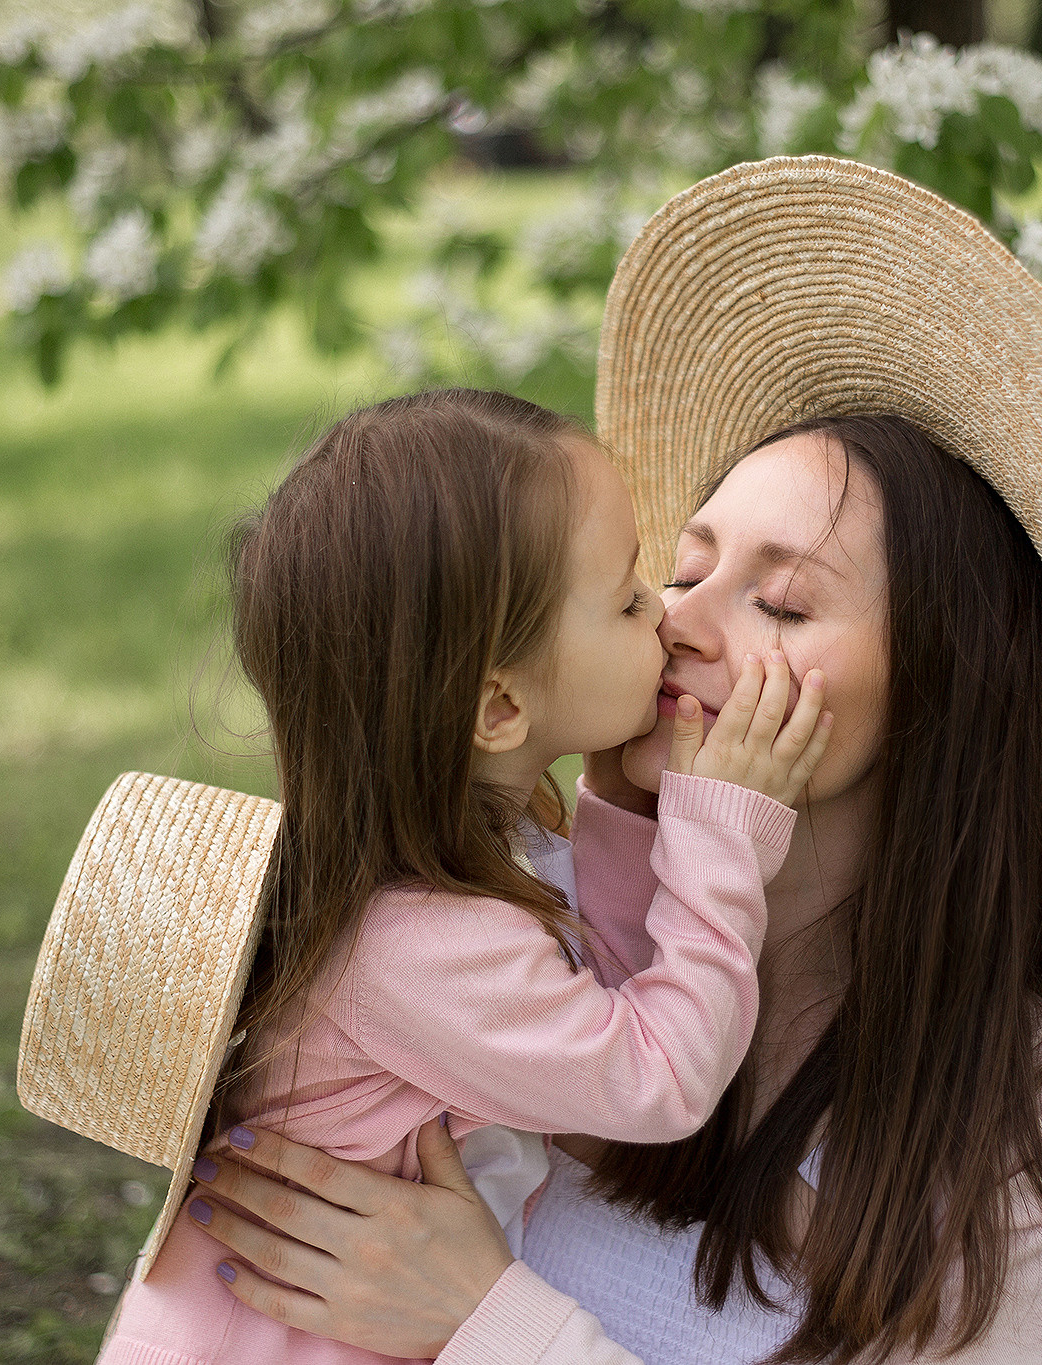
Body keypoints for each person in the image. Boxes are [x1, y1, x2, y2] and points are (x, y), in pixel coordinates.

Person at [175, 157, 1042, 1364]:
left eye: (781, 604)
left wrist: (491, 1328)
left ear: (940, 691)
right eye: (677, 571)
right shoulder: (528, 917)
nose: (677, 618)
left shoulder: (1041, 1084)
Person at [96, 388, 834, 1365]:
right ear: (497, 706)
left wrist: (621, 797)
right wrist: (724, 838)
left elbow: (599, 982)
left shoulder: (429, 873)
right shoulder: (415, 940)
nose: (664, 612)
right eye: (624, 599)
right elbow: (656, 1078)